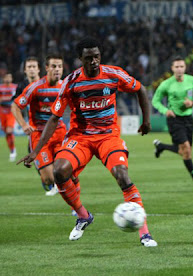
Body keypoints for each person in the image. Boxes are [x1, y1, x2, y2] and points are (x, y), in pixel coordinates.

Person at [17, 37, 157, 247]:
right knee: (59, 172)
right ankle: (83, 216)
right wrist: (36, 151)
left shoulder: (113, 74)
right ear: (80, 58)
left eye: (97, 56)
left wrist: (146, 121)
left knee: (122, 175)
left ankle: (145, 234)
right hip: (80, 137)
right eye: (89, 58)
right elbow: (54, 118)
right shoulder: (71, 82)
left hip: (108, 136)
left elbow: (140, 89)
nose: (94, 61)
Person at [12, 54, 65, 197]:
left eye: (59, 66)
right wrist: (23, 125)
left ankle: (77, 209)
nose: (57, 69)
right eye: (54, 66)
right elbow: (15, 105)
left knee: (64, 171)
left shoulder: (64, 87)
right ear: (47, 68)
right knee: (50, 177)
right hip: (38, 132)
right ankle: (46, 176)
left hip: (59, 132)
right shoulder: (31, 87)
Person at [152, 56, 193, 187]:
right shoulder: (166, 84)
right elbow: (155, 101)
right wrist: (165, 111)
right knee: (186, 148)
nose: (179, 69)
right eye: (177, 67)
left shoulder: (192, 81)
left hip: (188, 118)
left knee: (185, 151)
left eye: (181, 66)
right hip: (174, 119)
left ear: (185, 68)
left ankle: (161, 146)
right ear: (172, 68)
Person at [0, 73, 18, 161]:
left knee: (9, 131)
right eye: (6, 77)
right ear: (4, 78)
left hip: (11, 112)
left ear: (11, 78)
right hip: (2, 113)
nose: (8, 79)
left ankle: (13, 151)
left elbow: (17, 98)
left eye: (9, 77)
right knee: (7, 133)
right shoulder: (1, 88)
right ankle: (12, 149)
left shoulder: (15, 87)